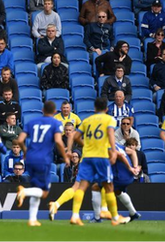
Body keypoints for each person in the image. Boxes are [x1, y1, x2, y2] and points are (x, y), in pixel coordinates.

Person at [65, 97, 125, 226]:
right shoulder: (109, 119)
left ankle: (75, 215)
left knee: (82, 186)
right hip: (101, 157)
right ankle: (115, 217)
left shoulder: (87, 120)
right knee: (109, 186)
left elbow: (74, 136)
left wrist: (70, 149)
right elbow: (110, 133)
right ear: (107, 108)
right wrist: (114, 151)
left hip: (87, 157)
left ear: (95, 108)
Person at [13, 101, 67, 226]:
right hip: (43, 160)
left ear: (42, 110)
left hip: (30, 158)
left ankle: (32, 219)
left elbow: (20, 140)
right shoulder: (56, 123)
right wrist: (65, 156)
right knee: (44, 192)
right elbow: (58, 141)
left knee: (36, 187)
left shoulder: (32, 122)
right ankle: (24, 192)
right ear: (55, 112)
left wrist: (25, 151)